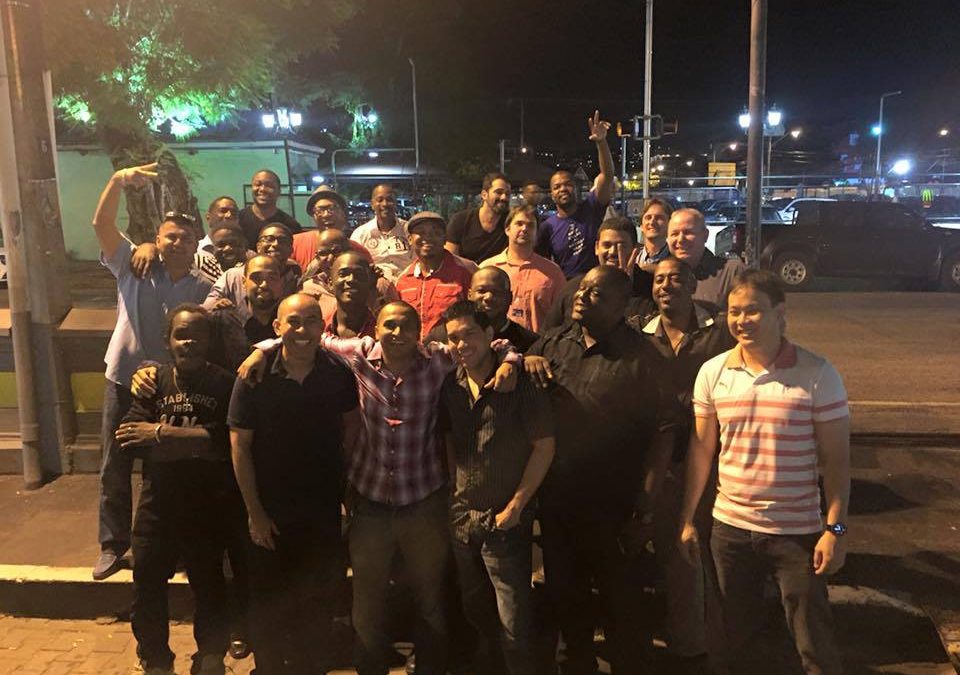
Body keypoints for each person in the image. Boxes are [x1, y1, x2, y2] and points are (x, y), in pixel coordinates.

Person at [238, 300, 521, 675]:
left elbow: (493, 344)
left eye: (406, 326)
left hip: (422, 501)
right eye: (389, 325)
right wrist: (262, 350)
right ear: (377, 329)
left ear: (419, 332)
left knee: (430, 598)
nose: (397, 333)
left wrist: (512, 360)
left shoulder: (439, 360)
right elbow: (306, 336)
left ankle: (430, 669)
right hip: (370, 503)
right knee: (367, 601)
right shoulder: (358, 353)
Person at [679, 269, 850, 675]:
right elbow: (702, 450)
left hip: (797, 533)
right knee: (733, 639)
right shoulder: (714, 372)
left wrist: (836, 530)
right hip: (730, 532)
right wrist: (686, 519)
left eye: (752, 310)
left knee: (813, 642)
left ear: (780, 313)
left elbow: (837, 460)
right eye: (734, 312)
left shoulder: (817, 373)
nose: (741, 321)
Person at [524, 266, 679, 675]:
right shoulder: (553, 343)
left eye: (596, 293)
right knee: (566, 601)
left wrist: (646, 509)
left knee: (622, 609)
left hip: (617, 508)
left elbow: (663, 435)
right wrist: (525, 360)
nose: (581, 296)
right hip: (559, 504)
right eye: (582, 289)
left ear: (621, 305)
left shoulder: (646, 357)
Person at [91, 163, 212, 582]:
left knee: (164, 470)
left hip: (168, 388)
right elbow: (101, 224)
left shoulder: (202, 286)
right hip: (123, 378)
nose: (178, 243)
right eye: (170, 237)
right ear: (157, 240)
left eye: (186, 238)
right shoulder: (133, 265)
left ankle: (166, 544)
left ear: (196, 244)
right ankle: (112, 544)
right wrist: (117, 181)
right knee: (114, 465)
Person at [229, 293, 360, 674]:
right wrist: (255, 512)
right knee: (268, 604)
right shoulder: (254, 376)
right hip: (269, 509)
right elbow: (240, 447)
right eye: (294, 322)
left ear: (323, 325)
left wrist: (344, 484)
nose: (303, 330)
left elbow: (351, 427)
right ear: (277, 327)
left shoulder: (337, 373)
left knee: (318, 603)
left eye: (312, 321)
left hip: (321, 511)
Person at [116, 305, 237, 675]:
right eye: (181, 335)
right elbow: (129, 437)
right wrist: (195, 442)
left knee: (209, 584)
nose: (189, 342)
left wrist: (161, 434)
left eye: (198, 335)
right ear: (168, 341)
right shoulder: (154, 382)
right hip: (158, 504)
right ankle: (155, 659)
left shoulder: (225, 384)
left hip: (207, 504)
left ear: (210, 341)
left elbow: (224, 442)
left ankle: (211, 656)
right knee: (147, 582)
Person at [630, 257, 735, 671]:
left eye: (675, 278)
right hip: (655, 461)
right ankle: (667, 642)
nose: (666, 285)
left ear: (692, 285)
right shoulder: (639, 335)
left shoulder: (719, 331)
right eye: (658, 280)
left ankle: (700, 648)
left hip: (708, 459)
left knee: (698, 556)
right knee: (661, 553)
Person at [440, 301, 554, 675]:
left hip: (505, 519)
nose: (461, 344)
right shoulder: (451, 385)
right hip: (463, 518)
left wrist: (516, 507)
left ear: (490, 334)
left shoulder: (520, 383)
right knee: (476, 612)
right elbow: (449, 440)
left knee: (514, 622)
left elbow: (544, 446)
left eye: (469, 334)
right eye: (453, 338)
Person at [536, 111, 616, 278]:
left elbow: (607, 175)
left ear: (576, 188)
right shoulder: (547, 227)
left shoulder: (592, 207)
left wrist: (601, 142)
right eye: (557, 187)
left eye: (568, 184)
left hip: (596, 280)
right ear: (552, 194)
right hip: (566, 286)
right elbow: (542, 262)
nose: (563, 189)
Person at [542, 216, 654, 331]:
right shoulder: (575, 288)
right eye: (607, 245)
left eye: (621, 246)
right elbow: (548, 333)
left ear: (636, 249)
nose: (613, 252)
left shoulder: (652, 288)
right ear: (596, 248)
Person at [479, 205, 566, 333]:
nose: (524, 229)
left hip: (537, 343)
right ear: (507, 229)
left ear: (536, 233)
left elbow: (563, 314)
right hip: (493, 342)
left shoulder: (553, 272)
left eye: (530, 225)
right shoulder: (487, 269)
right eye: (519, 224)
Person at [396, 211, 476, 340]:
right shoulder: (403, 280)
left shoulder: (466, 271)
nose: (428, 237)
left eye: (435, 233)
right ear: (410, 239)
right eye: (421, 232)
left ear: (445, 239)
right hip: (415, 351)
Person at [130, 196, 244, 283]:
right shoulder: (196, 254)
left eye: (234, 213)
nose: (229, 215)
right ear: (208, 218)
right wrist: (149, 247)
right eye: (223, 211)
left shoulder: (247, 256)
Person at [426, 267, 540, 353]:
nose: (488, 297)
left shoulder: (530, 343)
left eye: (497, 292)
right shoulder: (442, 335)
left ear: (510, 298)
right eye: (481, 291)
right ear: (469, 295)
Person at [300, 228, 397, 318]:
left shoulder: (379, 285)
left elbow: (394, 322)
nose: (330, 258)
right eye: (323, 253)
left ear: (350, 251)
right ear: (316, 257)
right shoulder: (309, 288)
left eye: (336, 251)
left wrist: (369, 293)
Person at [203, 223, 299, 311]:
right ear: (258, 246)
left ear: (291, 249)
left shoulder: (296, 278)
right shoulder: (233, 276)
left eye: (283, 241)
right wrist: (218, 305)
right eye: (269, 239)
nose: (275, 244)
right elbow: (208, 307)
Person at [667, 208, 745, 310]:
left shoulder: (732, 272)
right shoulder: (662, 277)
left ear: (705, 235)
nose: (680, 239)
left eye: (688, 232)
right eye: (674, 234)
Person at [291, 185, 373, 272]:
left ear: (343, 213)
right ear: (313, 216)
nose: (326, 215)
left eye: (332, 209)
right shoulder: (294, 243)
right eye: (319, 211)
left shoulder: (359, 250)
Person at [350, 184, 413, 282]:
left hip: (408, 283)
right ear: (372, 204)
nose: (385, 204)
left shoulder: (409, 229)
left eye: (389, 200)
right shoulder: (360, 234)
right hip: (375, 284)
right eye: (380, 200)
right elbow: (354, 263)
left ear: (395, 203)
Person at [446, 173, 511, 264]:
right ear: (484, 195)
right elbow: (449, 258)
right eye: (499, 192)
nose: (504, 197)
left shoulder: (511, 222)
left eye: (507, 194)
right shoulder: (460, 220)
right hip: (465, 272)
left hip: (500, 272)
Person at [238, 169, 301, 248]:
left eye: (269, 186)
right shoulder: (238, 220)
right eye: (258, 184)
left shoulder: (291, 225)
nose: (262, 189)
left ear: (279, 191)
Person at [637, 198, 674, 266]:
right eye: (648, 217)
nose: (652, 222)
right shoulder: (632, 259)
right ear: (641, 226)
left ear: (670, 224)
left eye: (659, 218)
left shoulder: (677, 260)